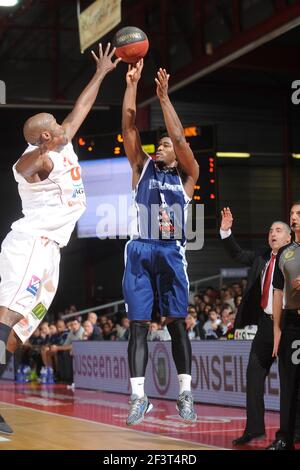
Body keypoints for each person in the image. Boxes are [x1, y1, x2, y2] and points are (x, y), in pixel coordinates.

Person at [0, 43, 121, 434]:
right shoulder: (37, 158)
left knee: (20, 331)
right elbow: (22, 167)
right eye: (56, 128)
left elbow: (81, 108)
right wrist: (40, 151)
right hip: (30, 243)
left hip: (50, 252)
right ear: (45, 136)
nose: (65, 127)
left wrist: (102, 73)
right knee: (7, 318)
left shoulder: (62, 138)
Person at [122, 60, 199, 426]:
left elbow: (181, 139)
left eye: (167, 144)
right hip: (141, 249)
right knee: (137, 325)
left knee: (176, 323)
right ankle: (139, 397)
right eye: (161, 143)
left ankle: (185, 392)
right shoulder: (142, 166)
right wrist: (132, 84)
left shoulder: (189, 177)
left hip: (171, 250)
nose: (164, 146)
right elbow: (128, 124)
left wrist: (165, 98)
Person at [220, 207, 296, 445]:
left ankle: (291, 432)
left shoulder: (297, 256)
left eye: (279, 230)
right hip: (265, 324)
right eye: (271, 230)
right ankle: (254, 428)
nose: (273, 233)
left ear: (289, 238)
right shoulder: (262, 257)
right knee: (253, 374)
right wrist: (225, 230)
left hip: (289, 323)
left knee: (289, 382)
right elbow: (237, 254)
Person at [266, 201, 300, 450]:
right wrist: (277, 329)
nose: (294, 217)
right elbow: (277, 292)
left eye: (298, 213)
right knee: (289, 382)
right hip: (293, 322)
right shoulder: (286, 252)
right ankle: (284, 437)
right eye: (292, 214)